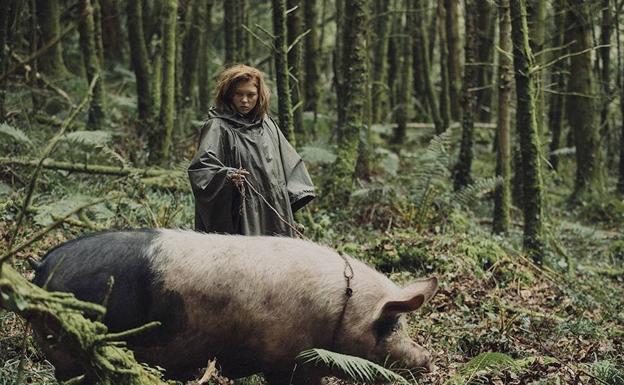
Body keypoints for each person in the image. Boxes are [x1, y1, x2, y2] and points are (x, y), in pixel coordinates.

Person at [188, 64, 315, 236]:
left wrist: (288, 204)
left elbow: (289, 162)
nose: (245, 100)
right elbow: (202, 170)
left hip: (273, 209)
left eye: (251, 95)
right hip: (240, 213)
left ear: (259, 95)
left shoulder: (267, 123)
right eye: (239, 94)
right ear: (228, 95)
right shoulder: (218, 127)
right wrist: (228, 177)